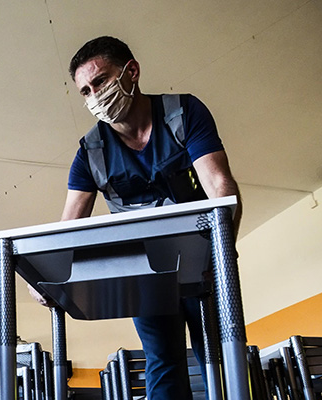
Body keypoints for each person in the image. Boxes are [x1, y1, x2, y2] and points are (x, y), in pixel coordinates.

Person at [28, 36, 242, 400]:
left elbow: (219, 185)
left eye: (100, 81)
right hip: (145, 274)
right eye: (85, 91)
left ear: (131, 72)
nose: (94, 95)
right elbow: (68, 226)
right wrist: (44, 275)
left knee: (220, 357)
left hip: (201, 263)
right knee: (163, 362)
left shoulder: (183, 113)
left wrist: (220, 258)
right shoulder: (91, 153)